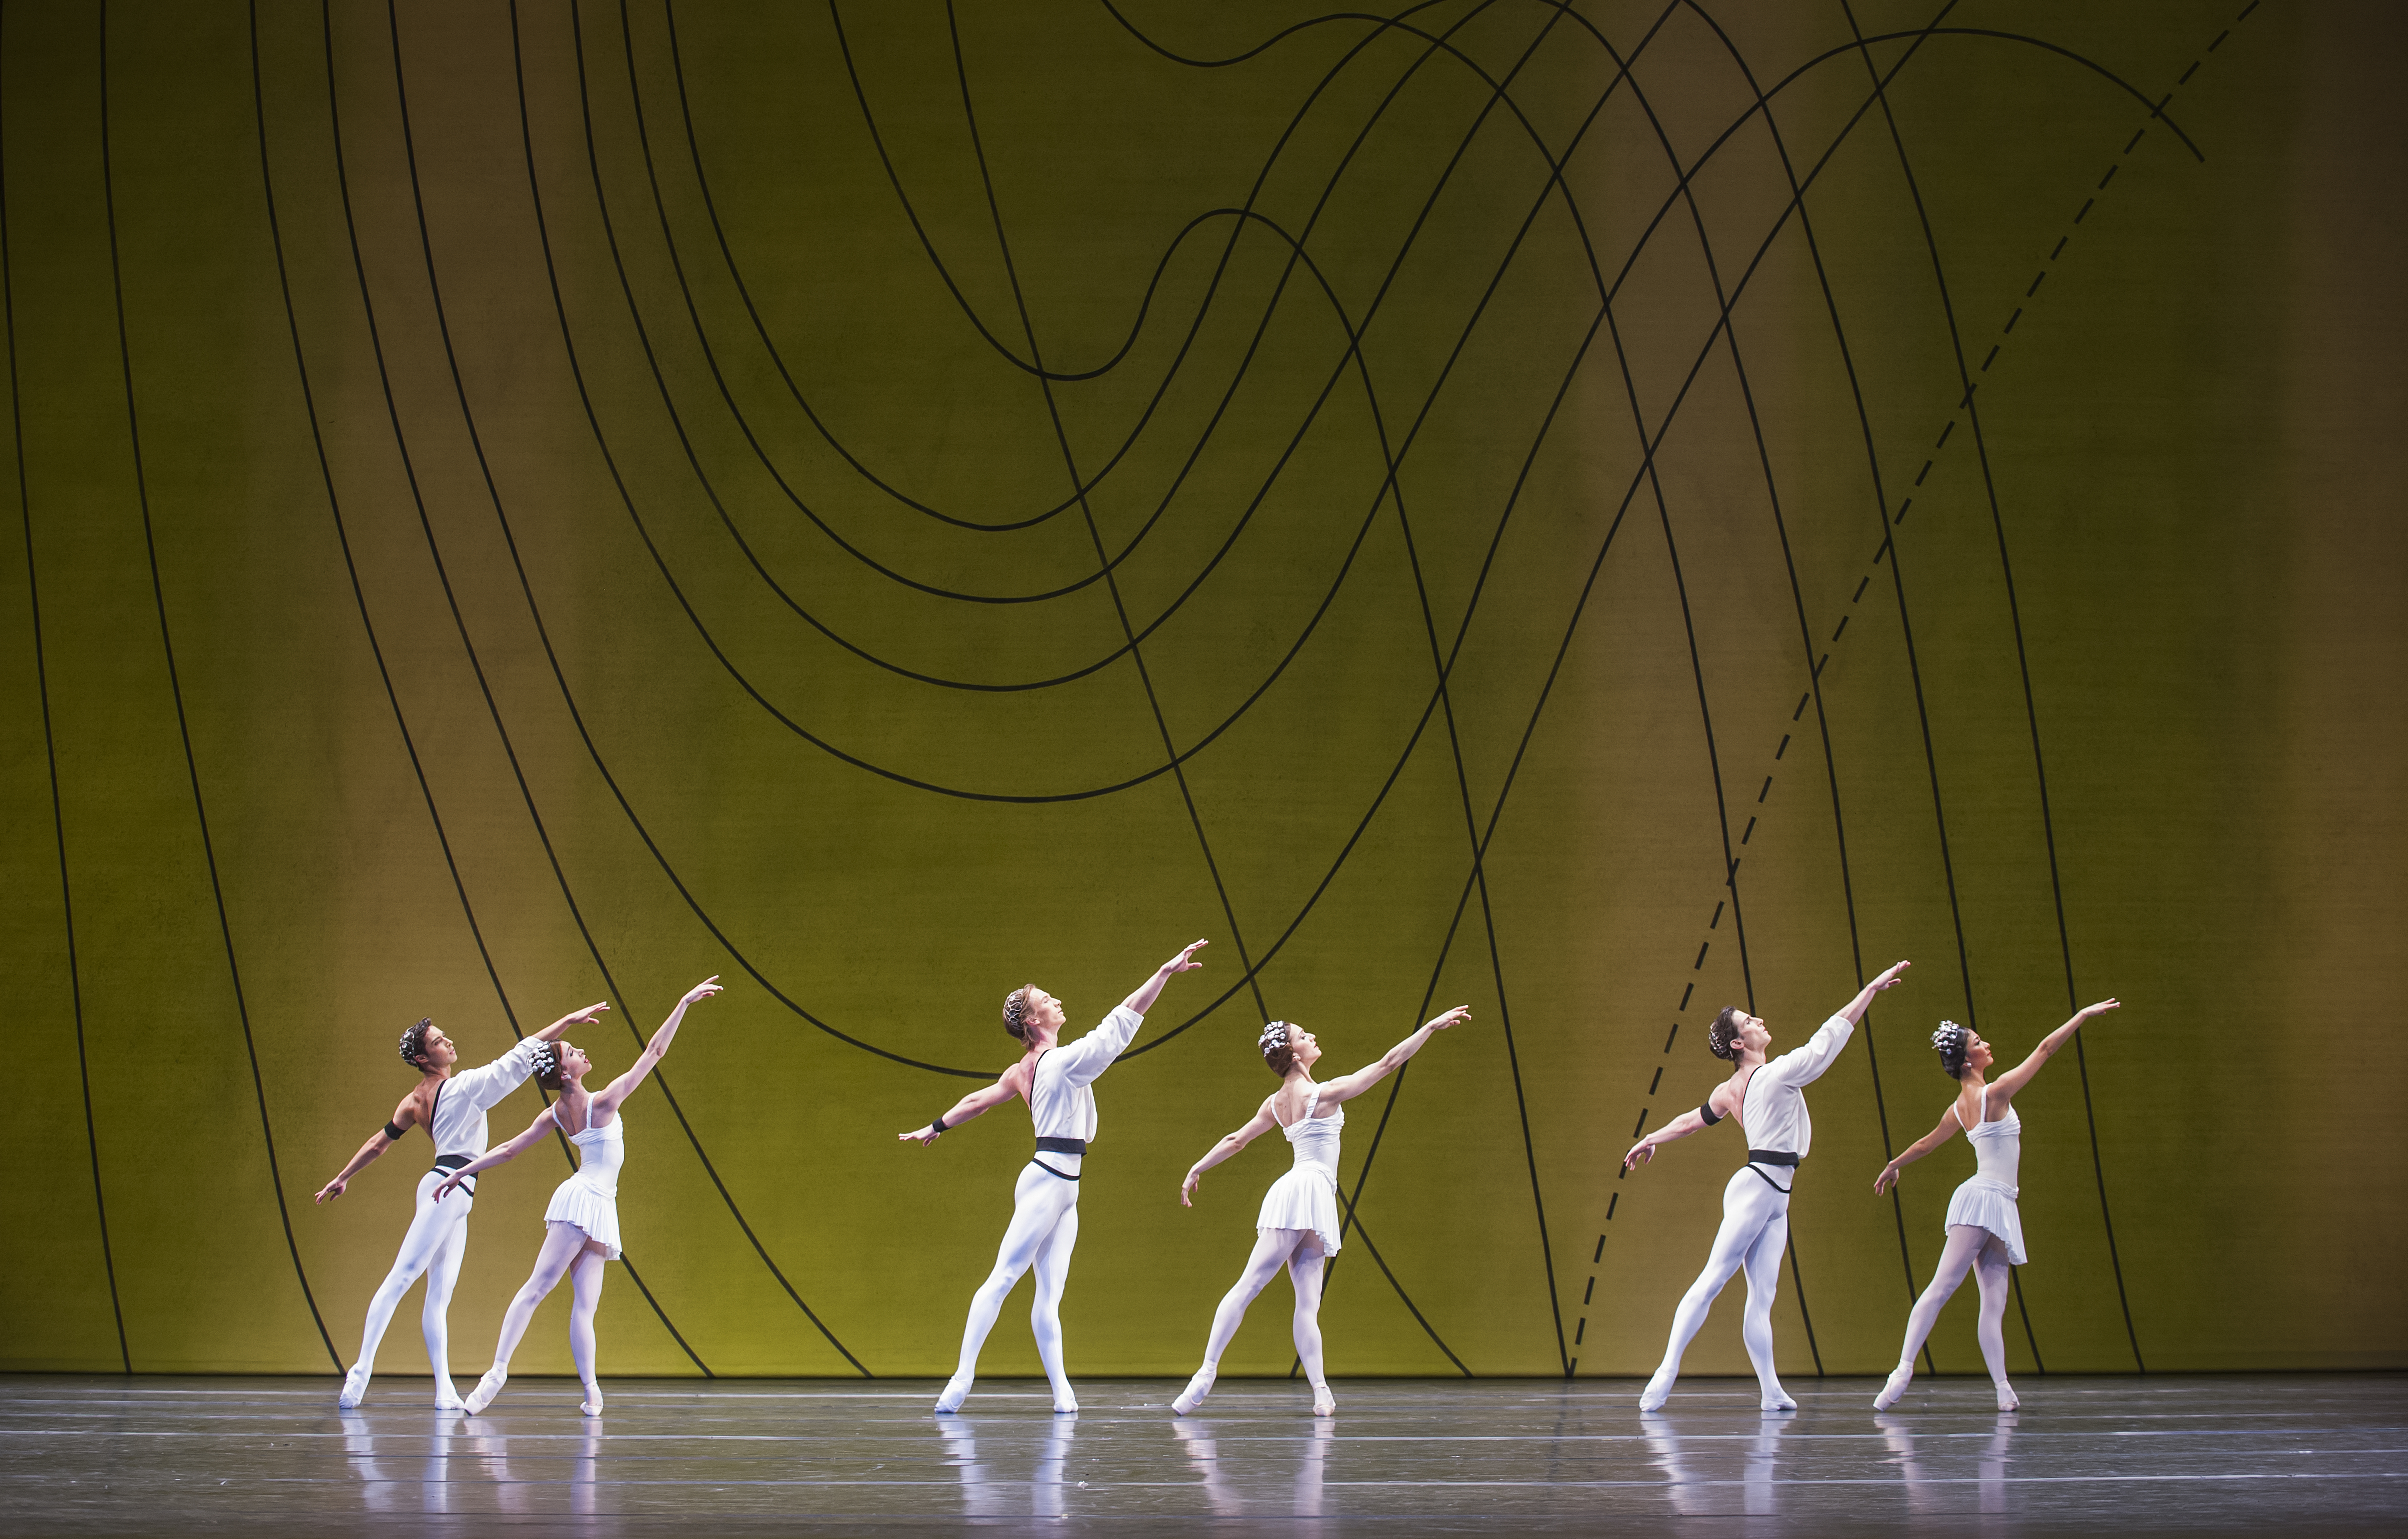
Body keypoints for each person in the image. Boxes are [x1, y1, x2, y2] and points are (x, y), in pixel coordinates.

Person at [898, 940, 1210, 1414]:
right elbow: (1121, 1021)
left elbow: (976, 1102)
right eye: (1047, 1001)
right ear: (1032, 1021)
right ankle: (960, 1379)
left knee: (1050, 1294)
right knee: (1003, 1276)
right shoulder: (1060, 1065)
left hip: (1065, 1187)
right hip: (1047, 1179)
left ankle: (1062, 1390)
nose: (1057, 1001)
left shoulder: (1025, 1069)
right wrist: (1164, 973)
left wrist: (937, 1125)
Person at [1622, 961, 1913, 1412]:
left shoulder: (1734, 1087)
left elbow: (1688, 1122)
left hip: (1775, 1194)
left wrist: (1651, 1138)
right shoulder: (1775, 1074)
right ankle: (1664, 1373)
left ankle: (1770, 1389)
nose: (1758, 1020)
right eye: (1748, 1021)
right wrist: (1870, 990)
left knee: (1762, 1296)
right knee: (1714, 1278)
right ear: (1739, 1042)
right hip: (1756, 1185)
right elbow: (1828, 1038)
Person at [434, 977, 723, 1416]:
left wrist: (463, 1172)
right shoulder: (603, 1102)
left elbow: (510, 1150)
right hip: (583, 1199)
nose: (581, 1051)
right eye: (573, 1051)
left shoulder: (559, 1113)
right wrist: (682, 1002)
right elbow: (654, 1053)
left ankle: (593, 1393)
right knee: (537, 1288)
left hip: (600, 1204)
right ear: (566, 1073)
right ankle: (495, 1373)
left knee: (585, 1307)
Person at [1170, 1006, 1473, 1418]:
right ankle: (1204, 1374)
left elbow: (1236, 1139)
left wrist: (1198, 1167)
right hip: (1304, 1189)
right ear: (1294, 1054)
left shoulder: (1276, 1103)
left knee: (1303, 1302)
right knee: (1251, 1285)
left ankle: (1320, 1392)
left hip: (1312, 1194)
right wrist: (1429, 1028)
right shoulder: (1320, 1094)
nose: (1311, 1036)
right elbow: (1387, 1063)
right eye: (1302, 1035)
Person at [316, 999, 609, 1409]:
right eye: (438, 1041)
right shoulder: (463, 1088)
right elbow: (518, 1058)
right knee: (403, 1275)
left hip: (451, 1190)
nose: (448, 1042)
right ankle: (360, 1373)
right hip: (447, 1188)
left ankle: (444, 1391)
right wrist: (565, 1022)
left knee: (439, 1295)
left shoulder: (415, 1099)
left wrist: (344, 1176)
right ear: (422, 1057)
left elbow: (379, 1142)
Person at [1870, 998, 2121, 1411]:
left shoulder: (1959, 1108)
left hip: (2000, 1203)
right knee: (1942, 1285)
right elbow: (2044, 1050)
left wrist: (1895, 1163)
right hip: (1981, 1198)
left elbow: (1924, 1143)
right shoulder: (1995, 1092)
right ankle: (1901, 1370)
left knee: (1994, 1303)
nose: (1986, 1044)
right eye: (1978, 1041)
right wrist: (2079, 1015)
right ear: (1967, 1060)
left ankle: (2003, 1389)